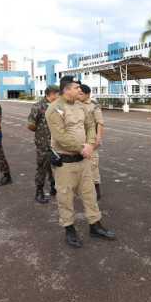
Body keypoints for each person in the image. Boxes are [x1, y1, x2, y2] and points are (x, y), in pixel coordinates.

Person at [45, 75, 116, 247]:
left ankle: (95, 226)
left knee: (90, 194)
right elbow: (60, 136)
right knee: (65, 197)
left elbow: (90, 126)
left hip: (83, 161)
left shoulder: (81, 106)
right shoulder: (55, 109)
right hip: (65, 163)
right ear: (66, 90)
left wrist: (90, 144)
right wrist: (82, 148)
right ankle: (69, 229)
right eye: (77, 87)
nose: (80, 90)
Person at [26, 84, 61, 204]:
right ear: (52, 94)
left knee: (55, 164)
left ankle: (53, 187)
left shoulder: (58, 106)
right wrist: (40, 132)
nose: (60, 96)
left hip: (57, 141)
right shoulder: (38, 106)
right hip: (43, 142)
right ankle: (39, 191)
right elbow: (30, 124)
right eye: (58, 94)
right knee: (43, 165)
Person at [78, 84, 104, 200]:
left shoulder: (93, 106)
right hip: (79, 138)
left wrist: (98, 138)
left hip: (91, 139)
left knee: (92, 163)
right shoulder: (75, 104)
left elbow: (99, 122)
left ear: (87, 95)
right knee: (79, 163)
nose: (79, 95)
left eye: (81, 94)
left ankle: (96, 187)